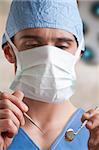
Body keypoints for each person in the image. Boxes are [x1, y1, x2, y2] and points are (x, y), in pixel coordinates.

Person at [0, 0, 99, 150]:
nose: (48, 56)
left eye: (62, 47)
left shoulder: (93, 134)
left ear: (79, 53)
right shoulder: (3, 127)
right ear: (9, 52)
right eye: (33, 45)